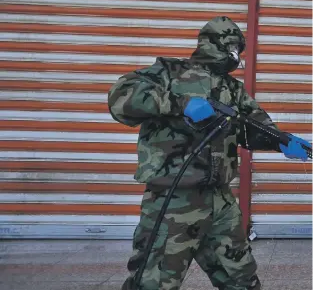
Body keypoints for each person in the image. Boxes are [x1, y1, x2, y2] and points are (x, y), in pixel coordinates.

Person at [108, 16, 309, 290]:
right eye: (232, 48)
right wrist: (180, 104)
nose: (235, 56)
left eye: (238, 49)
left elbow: (252, 126)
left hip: (220, 201)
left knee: (241, 279)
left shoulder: (232, 89)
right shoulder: (169, 72)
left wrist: (281, 141)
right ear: (214, 45)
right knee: (153, 282)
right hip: (173, 199)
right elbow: (121, 98)